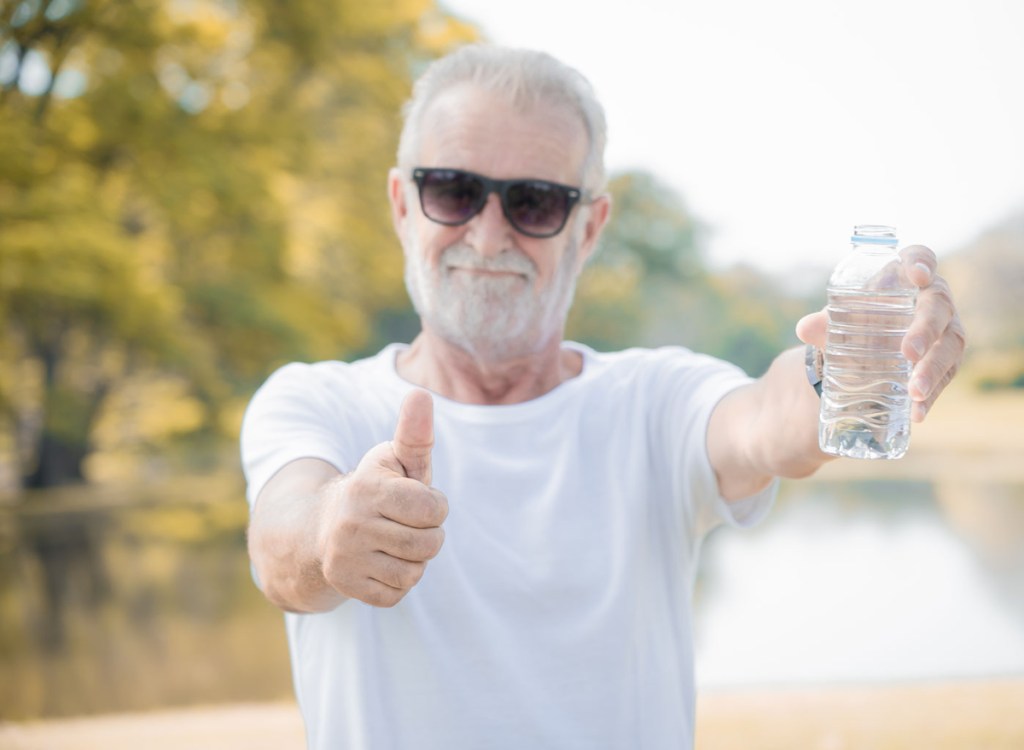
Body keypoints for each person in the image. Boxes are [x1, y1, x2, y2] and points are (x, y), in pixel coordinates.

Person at [241, 44, 965, 749]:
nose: (488, 237)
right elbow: (282, 545)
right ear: (404, 204)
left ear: (589, 227)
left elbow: (768, 425)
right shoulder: (314, 402)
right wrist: (334, 528)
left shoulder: (656, 400)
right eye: (453, 191)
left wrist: (841, 365)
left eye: (534, 202)